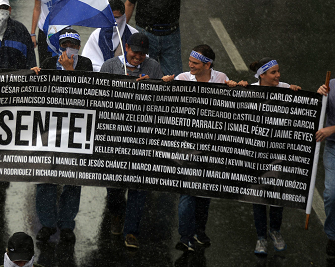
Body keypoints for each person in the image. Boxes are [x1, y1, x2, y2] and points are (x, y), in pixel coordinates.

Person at [165, 44, 239, 251]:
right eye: (189, 62)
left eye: (195, 63)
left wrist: (237, 87)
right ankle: (185, 236)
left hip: (212, 147)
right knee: (188, 191)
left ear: (208, 65)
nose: (190, 66)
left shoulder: (222, 79)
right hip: (188, 147)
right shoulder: (182, 79)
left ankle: (199, 231)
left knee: (205, 191)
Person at [99, 32, 163, 249]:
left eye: (143, 54)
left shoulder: (153, 67)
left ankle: (132, 231)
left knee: (138, 187)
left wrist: (151, 90)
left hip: (141, 139)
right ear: (126, 47)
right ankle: (117, 216)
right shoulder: (109, 66)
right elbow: (100, 99)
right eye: (135, 53)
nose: (138, 58)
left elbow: (161, 102)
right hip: (115, 138)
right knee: (115, 188)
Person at [32, 29, 90, 244]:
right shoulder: (48, 63)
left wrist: (69, 71)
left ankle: (67, 224)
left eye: (73, 45)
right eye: (64, 44)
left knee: (72, 179)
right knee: (46, 178)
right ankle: (47, 224)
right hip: (49, 129)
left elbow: (84, 95)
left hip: (75, 130)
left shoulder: (85, 65)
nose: (69, 49)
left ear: (79, 47)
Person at [246, 58, 300, 255]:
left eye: (278, 71)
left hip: (279, 151)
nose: (278, 75)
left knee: (277, 194)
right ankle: (261, 237)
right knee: (258, 196)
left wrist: (298, 95)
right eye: (273, 72)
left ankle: (275, 231)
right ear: (261, 75)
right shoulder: (249, 90)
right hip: (257, 153)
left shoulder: (286, 88)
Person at [82, 0, 139, 72]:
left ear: (123, 16)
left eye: (117, 17)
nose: (114, 21)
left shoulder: (134, 34)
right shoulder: (96, 35)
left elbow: (142, 60)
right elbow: (90, 62)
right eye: (111, 17)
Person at [30, 0, 67, 65]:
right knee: (44, 63)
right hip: (44, 30)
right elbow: (37, 9)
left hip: (62, 31)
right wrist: (32, 34)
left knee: (61, 62)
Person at [317, 78, 335, 256]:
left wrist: (333, 128)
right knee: (331, 193)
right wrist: (319, 97)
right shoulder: (332, 85)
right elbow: (319, 114)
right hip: (333, 148)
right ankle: (333, 235)